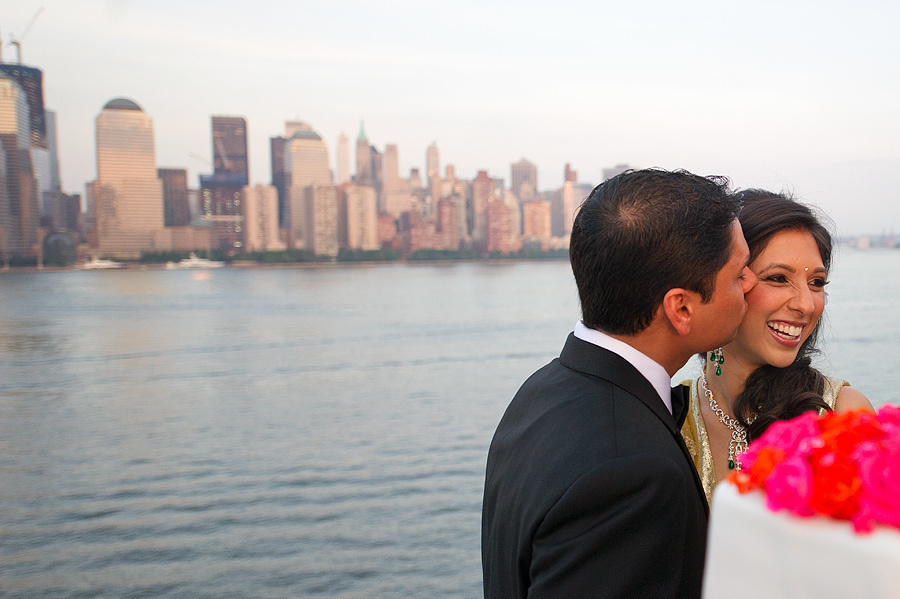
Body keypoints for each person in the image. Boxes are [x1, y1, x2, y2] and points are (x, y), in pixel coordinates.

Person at [482, 169, 758, 599]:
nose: (752, 283)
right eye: (739, 273)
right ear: (681, 308)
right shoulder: (632, 473)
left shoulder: (539, 391)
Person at [681, 190, 874, 506]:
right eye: (779, 278)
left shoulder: (841, 415)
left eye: (817, 282)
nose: (806, 304)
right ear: (726, 282)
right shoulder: (670, 413)